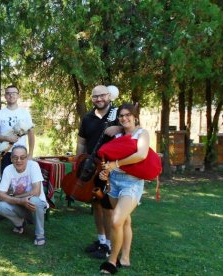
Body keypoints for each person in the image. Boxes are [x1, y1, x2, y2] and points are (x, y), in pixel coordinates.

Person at [98, 103, 149, 274]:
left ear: (135, 116)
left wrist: (117, 164)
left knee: (116, 220)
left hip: (132, 182)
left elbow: (141, 154)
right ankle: (125, 257)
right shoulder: (117, 134)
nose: (125, 118)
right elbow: (109, 156)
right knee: (125, 220)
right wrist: (106, 172)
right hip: (114, 180)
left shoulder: (143, 133)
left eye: (128, 115)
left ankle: (112, 261)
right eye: (121, 116)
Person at [76, 85, 121, 259]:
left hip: (111, 169)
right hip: (92, 168)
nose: (99, 99)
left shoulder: (118, 114)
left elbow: (133, 130)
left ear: (109, 96)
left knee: (107, 206)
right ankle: (101, 240)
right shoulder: (87, 118)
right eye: (95, 97)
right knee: (96, 202)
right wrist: (78, 163)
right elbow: (81, 142)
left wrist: (118, 128)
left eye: (102, 95)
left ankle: (109, 245)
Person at [0, 145, 47, 246]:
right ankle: (19, 223)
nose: (18, 160)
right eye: (15, 157)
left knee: (34, 200)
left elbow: (36, 191)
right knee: (1, 206)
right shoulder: (8, 169)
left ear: (27, 157)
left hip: (36, 208)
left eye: (22, 157)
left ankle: (40, 234)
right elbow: (1, 195)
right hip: (21, 206)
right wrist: (20, 201)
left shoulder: (33, 165)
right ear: (11, 158)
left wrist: (15, 198)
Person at [0, 85, 35, 175]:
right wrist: (8, 139)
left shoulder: (25, 113)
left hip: (21, 154)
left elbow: (31, 135)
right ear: (5, 96)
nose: (11, 95)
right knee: (6, 182)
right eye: (8, 93)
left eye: (14, 93)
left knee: (22, 183)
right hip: (5, 153)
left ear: (18, 96)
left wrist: (30, 154)